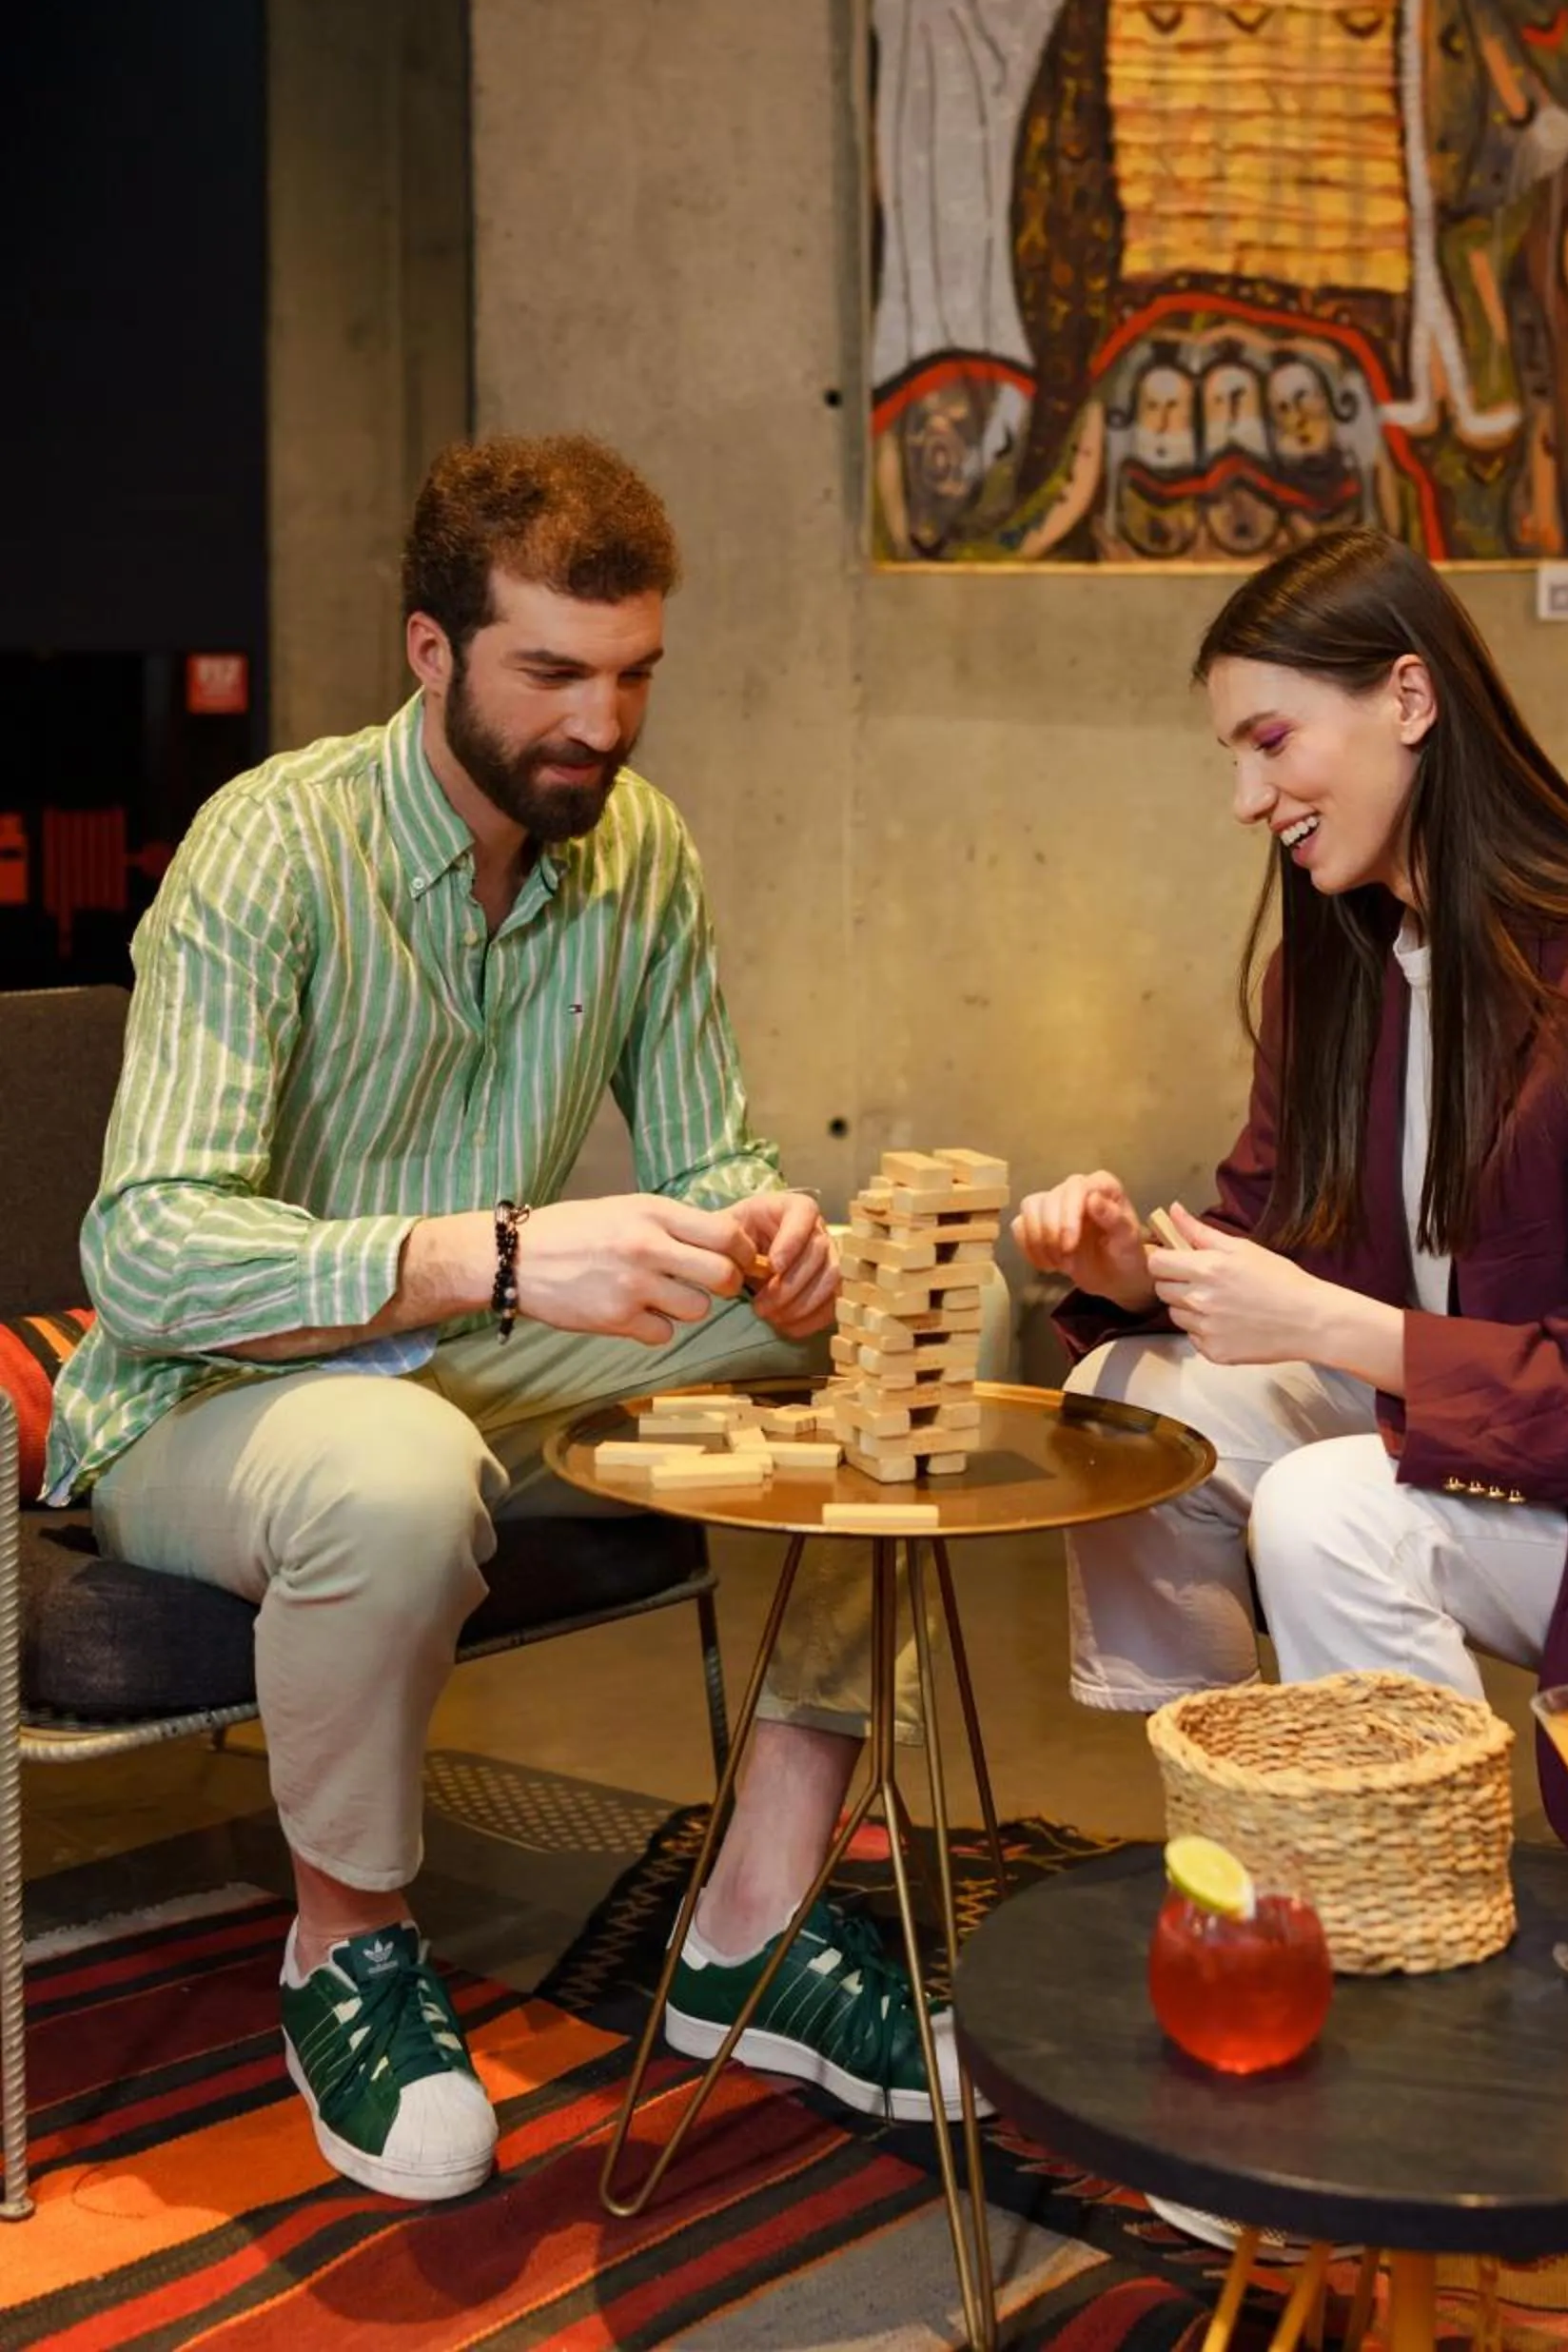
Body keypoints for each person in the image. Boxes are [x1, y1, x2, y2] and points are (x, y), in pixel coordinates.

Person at [47, 434, 970, 2205]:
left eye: (632, 679)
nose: (601, 728)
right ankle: (346, 1949)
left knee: (925, 1305)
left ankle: (754, 1926)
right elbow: (151, 1251)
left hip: (493, 1368)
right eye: (552, 672)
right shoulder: (271, 848)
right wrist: (499, 1250)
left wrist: (777, 1237)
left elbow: (715, 1157)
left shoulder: (639, 852)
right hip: (213, 1400)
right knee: (391, 1464)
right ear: (430, 652)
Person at [1015, 526, 1568, 1875]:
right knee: (1133, 1404)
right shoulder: (1336, 968)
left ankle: (1420, 1900)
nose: (1250, 798)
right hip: (1486, 1425)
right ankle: (1228, 1834)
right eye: (1234, 759)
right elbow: (1270, 1242)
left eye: (1273, 742)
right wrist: (1138, 1273)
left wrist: (1327, 1325)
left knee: (1326, 1510)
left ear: (1411, 703)